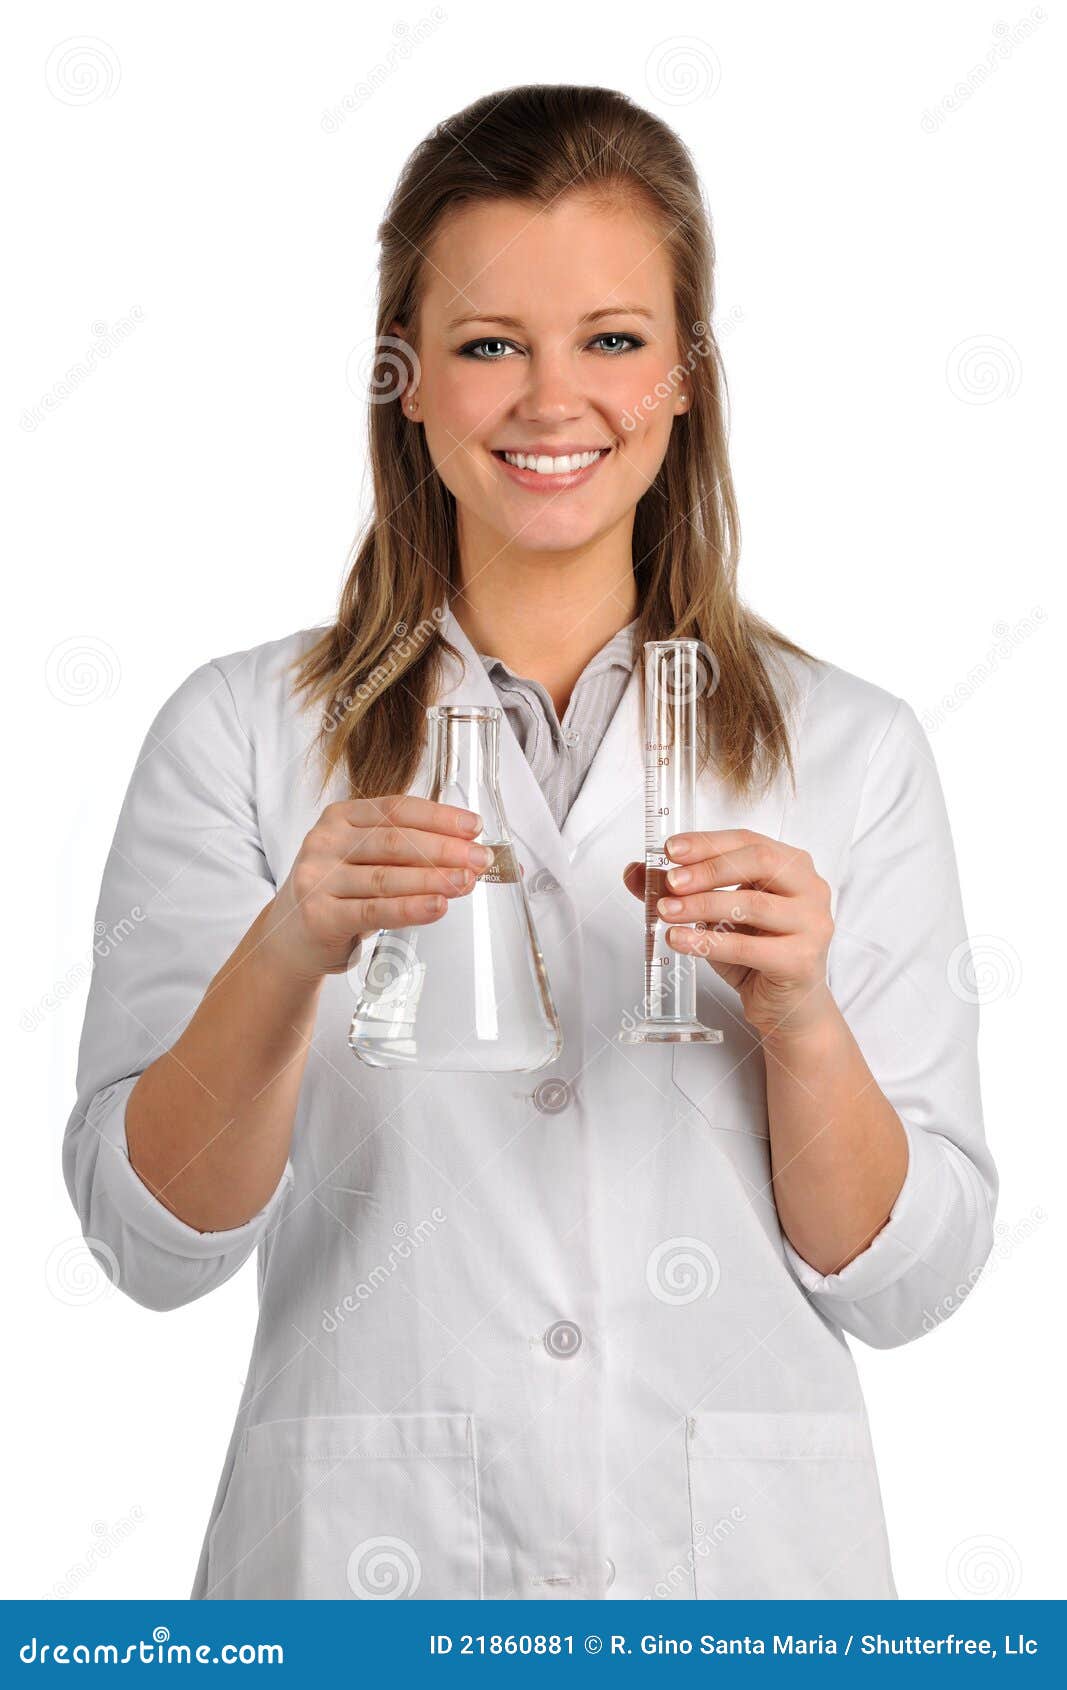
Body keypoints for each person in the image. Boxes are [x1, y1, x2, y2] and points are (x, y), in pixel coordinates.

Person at [62, 84, 997, 1601]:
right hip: (369, 1572)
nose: (552, 401)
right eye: (491, 344)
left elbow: (914, 1280)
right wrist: (293, 947)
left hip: (740, 1582)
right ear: (408, 383)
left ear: (687, 378)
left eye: (614, 340)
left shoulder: (854, 748)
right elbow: (150, 1241)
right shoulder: (238, 730)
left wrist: (805, 1026)